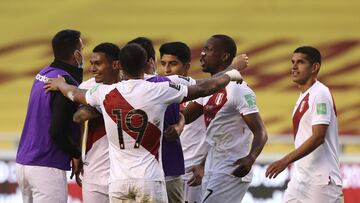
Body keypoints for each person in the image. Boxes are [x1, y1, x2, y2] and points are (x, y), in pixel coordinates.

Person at [44, 43, 247, 203]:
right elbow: (206, 87)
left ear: (120, 66)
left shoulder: (105, 93)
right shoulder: (158, 90)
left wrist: (62, 84)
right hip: (149, 180)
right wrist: (232, 71)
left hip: (118, 183)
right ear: (146, 65)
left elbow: (76, 94)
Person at [182, 34, 268, 202]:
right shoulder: (208, 90)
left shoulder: (238, 89)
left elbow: (261, 131)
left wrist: (250, 158)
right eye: (202, 50)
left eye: (208, 49)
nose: (202, 54)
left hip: (231, 169)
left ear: (225, 56)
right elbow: (185, 117)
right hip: (212, 168)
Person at [265, 46, 343, 202]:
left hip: (321, 182)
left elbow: (318, 136)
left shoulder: (320, 93)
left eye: (300, 62)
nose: (294, 66)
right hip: (300, 179)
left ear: (315, 67)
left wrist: (285, 161)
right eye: (293, 62)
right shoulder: (304, 95)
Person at [15, 29, 84, 203]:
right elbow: (57, 131)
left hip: (24, 162)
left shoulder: (43, 73)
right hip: (46, 164)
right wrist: (75, 153)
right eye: (82, 50)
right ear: (76, 54)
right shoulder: (64, 83)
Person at [127, 37, 186, 203]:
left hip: (133, 173)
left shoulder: (118, 90)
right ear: (152, 61)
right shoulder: (165, 85)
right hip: (169, 165)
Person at [159, 41, 208, 203]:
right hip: (165, 170)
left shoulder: (201, 93)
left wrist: (203, 165)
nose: (167, 70)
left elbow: (218, 133)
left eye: (173, 64)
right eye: (163, 64)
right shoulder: (156, 93)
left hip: (193, 172)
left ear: (186, 67)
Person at [74, 43, 121, 203]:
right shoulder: (87, 87)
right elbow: (78, 117)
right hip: (94, 168)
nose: (93, 69)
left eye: (98, 64)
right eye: (91, 63)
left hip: (123, 172)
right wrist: (77, 154)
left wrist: (96, 105)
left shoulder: (128, 87)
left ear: (115, 65)